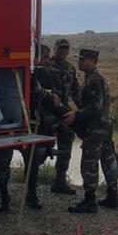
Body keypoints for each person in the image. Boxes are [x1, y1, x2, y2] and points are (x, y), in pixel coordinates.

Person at [0, 45, 68, 211]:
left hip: (32, 126)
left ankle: (32, 195)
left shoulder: (47, 75)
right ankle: (4, 197)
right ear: (36, 58)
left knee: (33, 163)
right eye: (45, 57)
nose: (47, 61)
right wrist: (48, 96)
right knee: (2, 163)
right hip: (9, 125)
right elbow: (36, 91)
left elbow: (55, 99)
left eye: (49, 58)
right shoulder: (21, 71)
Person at [63, 48, 118, 213]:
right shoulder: (91, 78)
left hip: (97, 127)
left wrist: (76, 115)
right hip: (104, 126)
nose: (79, 62)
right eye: (79, 59)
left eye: (82, 60)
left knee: (89, 161)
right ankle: (112, 196)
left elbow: (95, 107)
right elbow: (84, 102)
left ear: (92, 61)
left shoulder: (95, 79)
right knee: (108, 158)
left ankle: (90, 201)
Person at [46, 38, 80, 194]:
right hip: (47, 112)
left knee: (66, 142)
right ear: (55, 49)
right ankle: (30, 185)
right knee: (41, 148)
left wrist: (83, 111)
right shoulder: (46, 65)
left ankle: (60, 181)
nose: (63, 52)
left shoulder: (70, 68)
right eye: (60, 49)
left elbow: (76, 92)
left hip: (64, 111)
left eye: (66, 49)